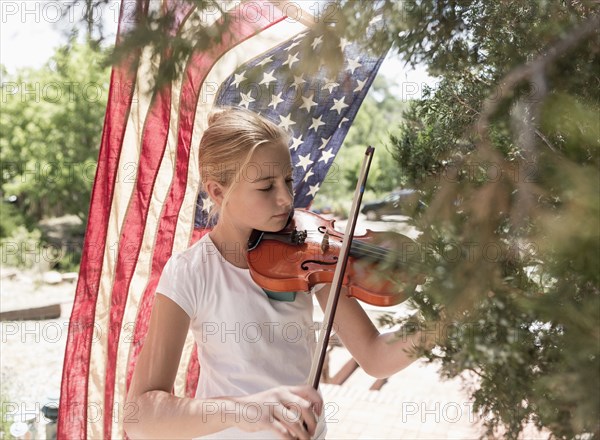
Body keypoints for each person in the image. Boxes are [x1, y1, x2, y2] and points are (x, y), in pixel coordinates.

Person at [125, 107, 423, 440]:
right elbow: (140, 416)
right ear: (218, 191)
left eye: (288, 180)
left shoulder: (311, 256)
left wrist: (443, 320)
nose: (285, 198)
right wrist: (244, 408)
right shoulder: (191, 273)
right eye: (266, 187)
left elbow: (376, 357)